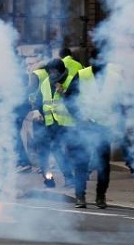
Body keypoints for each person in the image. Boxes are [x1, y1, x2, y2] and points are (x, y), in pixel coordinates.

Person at [67, 53, 124, 209]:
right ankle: (80, 196)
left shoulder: (115, 79)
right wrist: (78, 116)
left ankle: (100, 196)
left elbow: (122, 102)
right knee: (82, 163)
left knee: (103, 165)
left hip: (104, 127)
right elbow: (68, 97)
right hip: (85, 126)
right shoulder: (82, 75)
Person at [29, 59, 77, 189]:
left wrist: (64, 93)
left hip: (66, 124)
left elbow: (77, 101)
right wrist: (36, 111)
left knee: (61, 152)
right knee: (43, 152)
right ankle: (48, 179)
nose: (52, 74)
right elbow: (39, 100)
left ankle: (70, 178)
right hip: (48, 123)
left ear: (61, 71)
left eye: (55, 71)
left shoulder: (71, 80)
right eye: (50, 71)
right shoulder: (46, 83)